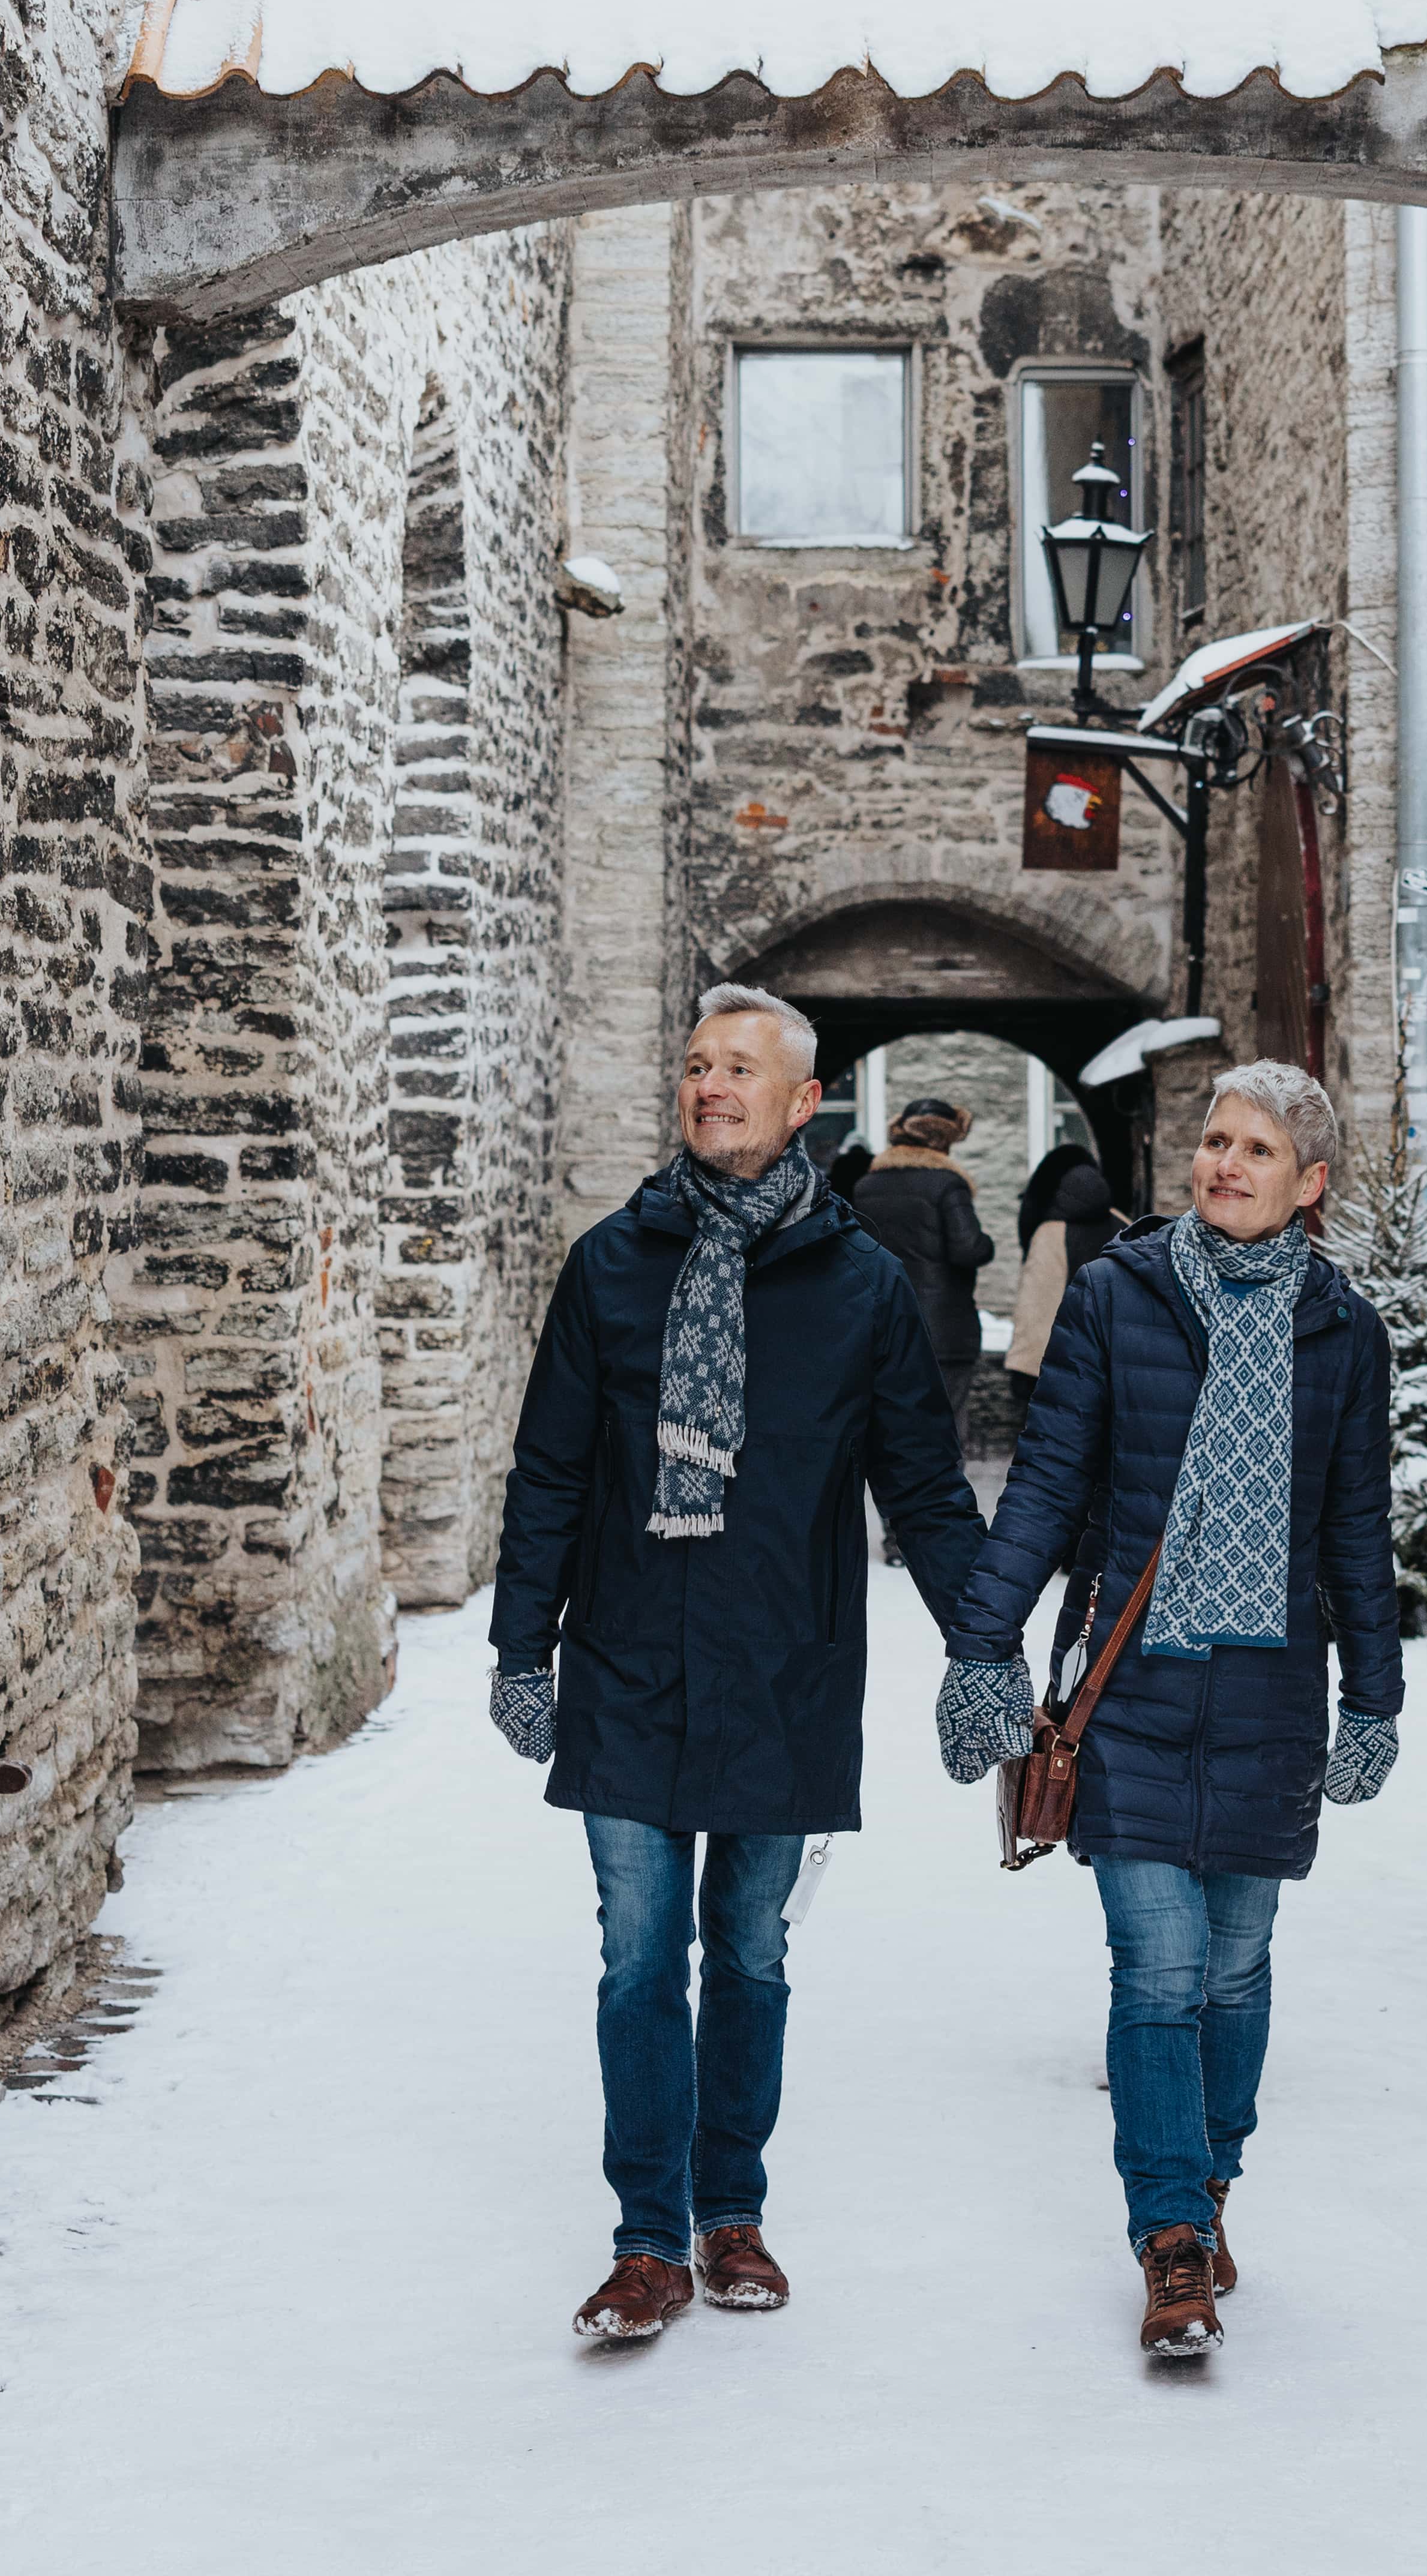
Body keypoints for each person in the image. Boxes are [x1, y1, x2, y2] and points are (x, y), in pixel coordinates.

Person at [491, 985, 988, 2343]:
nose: (710, 1085)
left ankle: (732, 2213)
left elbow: (925, 1490)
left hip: (788, 1666)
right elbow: (547, 1470)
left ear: (801, 1103)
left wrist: (981, 1644)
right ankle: (647, 2237)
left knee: (750, 1956)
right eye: (696, 1064)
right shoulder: (609, 1262)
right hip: (630, 1656)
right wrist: (517, 1641)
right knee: (638, 1956)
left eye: (739, 1069)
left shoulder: (860, 1286)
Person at [933, 1062, 1402, 2358]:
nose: (1224, 1163)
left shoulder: (1346, 1335)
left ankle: (1212, 2182)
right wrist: (984, 1648)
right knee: (1158, 1967)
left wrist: (1375, 1692)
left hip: (1270, 1688)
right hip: (1127, 1684)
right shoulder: (1116, 1294)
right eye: (1213, 1139)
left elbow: (1357, 1530)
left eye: (1257, 1147)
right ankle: (1171, 2237)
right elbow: (1042, 1490)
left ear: (1309, 1184)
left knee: (1238, 1967)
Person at [846, 1094, 993, 1441]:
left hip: (883, 1325)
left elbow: (857, 1254)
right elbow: (968, 1249)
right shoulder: (948, 1185)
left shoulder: (867, 1187)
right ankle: (944, 1495)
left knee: (896, 1427)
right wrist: (987, 1242)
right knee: (946, 1426)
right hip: (944, 1328)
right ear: (943, 1140)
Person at [1000, 1142, 1122, 1394]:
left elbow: (1037, 1307)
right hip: (1114, 1364)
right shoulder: (1124, 1225)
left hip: (1060, 1370)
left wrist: (1024, 1371)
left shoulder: (1051, 1233)